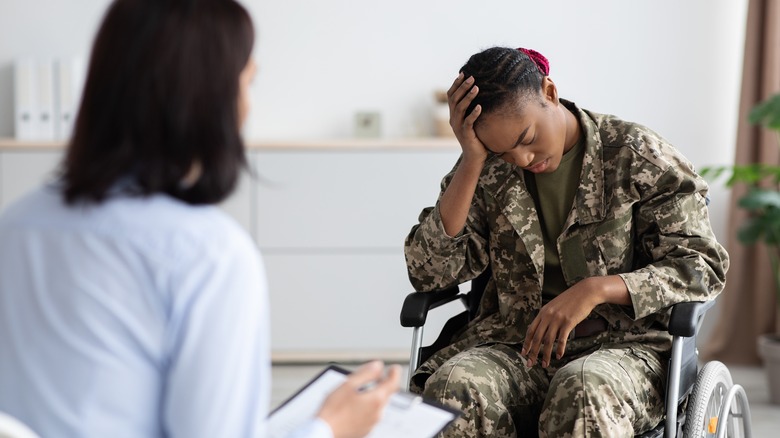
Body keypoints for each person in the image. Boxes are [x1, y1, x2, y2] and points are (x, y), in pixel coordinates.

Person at [0, 1, 399, 437]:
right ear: (209, 100)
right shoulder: (205, 254)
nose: (248, 105)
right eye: (247, 82)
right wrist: (331, 427)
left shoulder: (16, 225)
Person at [404, 46, 729, 437]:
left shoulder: (636, 155)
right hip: (516, 344)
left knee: (583, 390)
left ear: (550, 92)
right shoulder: (486, 169)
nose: (523, 159)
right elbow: (430, 273)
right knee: (453, 387)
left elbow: (701, 264)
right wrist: (473, 159)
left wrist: (596, 290)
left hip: (625, 347)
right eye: (502, 151)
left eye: (527, 138)